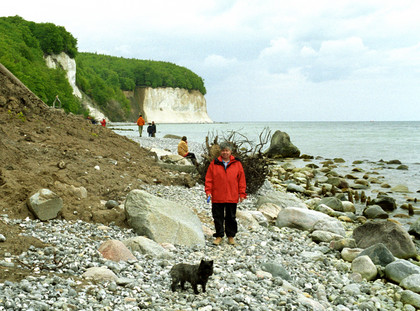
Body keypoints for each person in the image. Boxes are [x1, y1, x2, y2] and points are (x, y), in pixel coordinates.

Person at [205, 142, 247, 246]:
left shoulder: (237, 163)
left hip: (232, 196)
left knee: (231, 217)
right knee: (217, 216)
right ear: (220, 151)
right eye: (223, 150)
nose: (225, 152)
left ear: (231, 151)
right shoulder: (214, 163)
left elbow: (241, 180)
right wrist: (208, 191)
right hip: (217, 196)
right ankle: (219, 236)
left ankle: (231, 237)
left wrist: (242, 193)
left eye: (227, 150)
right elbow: (209, 179)